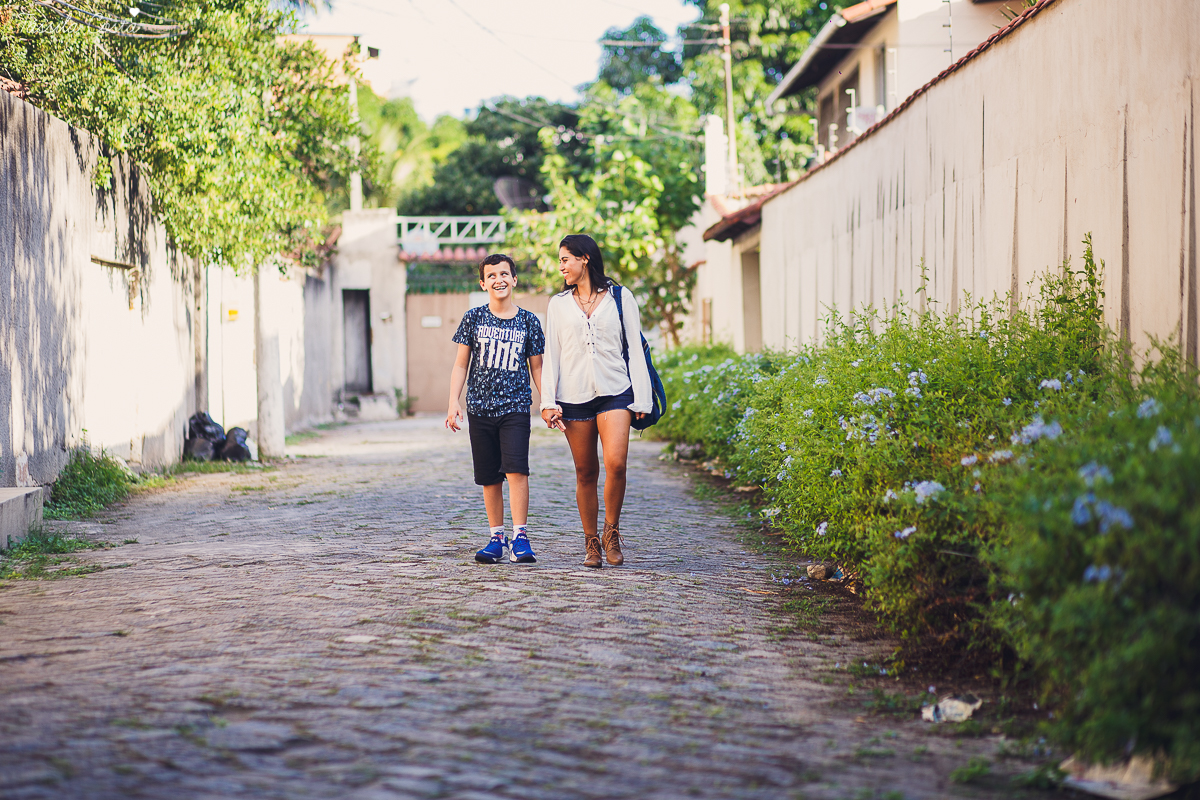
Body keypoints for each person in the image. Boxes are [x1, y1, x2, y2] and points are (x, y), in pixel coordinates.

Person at [540, 234, 651, 568]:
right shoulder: (558, 304)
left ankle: (611, 532)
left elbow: (634, 349)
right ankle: (591, 543)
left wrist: (641, 397)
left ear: (584, 258)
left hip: (616, 390)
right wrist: (548, 401)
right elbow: (552, 356)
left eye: (565, 259)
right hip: (573, 397)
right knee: (585, 472)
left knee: (616, 463)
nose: (560, 266)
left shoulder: (620, 297)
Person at [446, 254, 546, 565]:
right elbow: (461, 364)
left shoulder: (529, 321)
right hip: (479, 409)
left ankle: (521, 537)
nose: (499, 279)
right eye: (492, 275)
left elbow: (538, 368)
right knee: (489, 477)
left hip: (515, 407)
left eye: (505, 274)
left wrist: (548, 402)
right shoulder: (473, 318)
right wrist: (453, 401)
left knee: (516, 471)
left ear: (514, 280)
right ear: (483, 283)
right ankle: (496, 538)